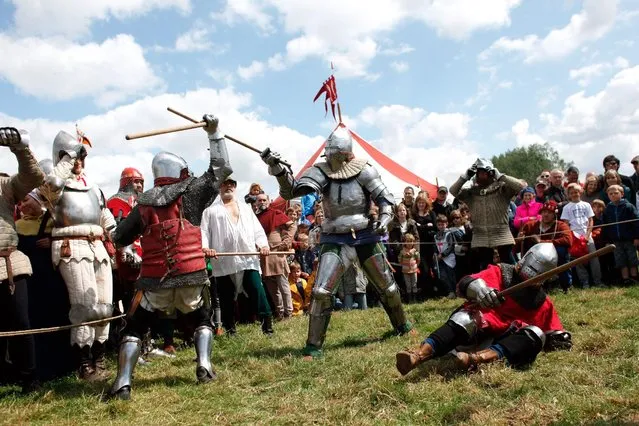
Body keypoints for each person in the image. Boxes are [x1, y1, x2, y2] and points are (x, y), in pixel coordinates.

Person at [261, 126, 413, 358]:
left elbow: (386, 201)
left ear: (345, 153)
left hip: (364, 236)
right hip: (334, 237)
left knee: (388, 286)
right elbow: (292, 191)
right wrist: (278, 168)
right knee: (321, 292)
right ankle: (314, 345)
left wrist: (383, 220)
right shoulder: (321, 172)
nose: (330, 157)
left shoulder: (364, 170)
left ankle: (402, 326)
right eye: (328, 153)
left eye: (334, 153)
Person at [107, 114, 231, 400]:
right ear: (181, 171)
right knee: (202, 319)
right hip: (191, 276)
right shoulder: (193, 192)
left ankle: (123, 383)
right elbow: (222, 169)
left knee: (135, 328)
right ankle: (204, 365)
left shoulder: (144, 203)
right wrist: (215, 133)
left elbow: (120, 237)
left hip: (153, 282)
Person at [396, 243, 572, 376]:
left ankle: (474, 360)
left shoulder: (541, 302)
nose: (531, 274)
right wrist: (480, 290)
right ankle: (417, 356)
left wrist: (559, 337)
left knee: (535, 334)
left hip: (501, 346)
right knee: (466, 318)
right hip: (473, 333)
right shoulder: (501, 273)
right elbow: (465, 283)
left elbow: (552, 332)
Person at [39, 130, 116, 381]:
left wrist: (118, 235)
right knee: (84, 307)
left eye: (80, 157)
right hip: (71, 247)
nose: (78, 161)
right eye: (71, 157)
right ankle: (84, 363)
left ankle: (100, 357)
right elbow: (51, 187)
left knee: (104, 305)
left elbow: (104, 215)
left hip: (98, 246)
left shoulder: (94, 188)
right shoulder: (55, 187)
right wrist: (68, 157)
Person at [0, 127, 45, 393]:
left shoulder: (4, 185)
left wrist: (20, 147)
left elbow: (34, 177)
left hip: (9, 264)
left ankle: (29, 378)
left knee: (20, 323)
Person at [200, 176, 274, 336]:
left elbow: (258, 231)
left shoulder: (246, 208)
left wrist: (264, 245)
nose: (228, 186)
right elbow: (204, 232)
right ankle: (230, 330)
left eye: (231, 184)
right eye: (225, 183)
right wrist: (206, 248)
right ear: (219, 187)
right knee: (226, 298)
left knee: (257, 291)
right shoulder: (210, 211)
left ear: (235, 186)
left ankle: (267, 328)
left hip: (247, 259)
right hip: (223, 261)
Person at [450, 158, 524, 270]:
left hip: (501, 233)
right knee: (486, 267)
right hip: (481, 236)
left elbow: (520, 186)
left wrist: (500, 175)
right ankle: (491, 287)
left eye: (485, 172)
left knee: (509, 265)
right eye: (479, 172)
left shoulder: (501, 189)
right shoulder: (471, 193)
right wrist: (465, 177)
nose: (482, 175)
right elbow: (453, 191)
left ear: (490, 173)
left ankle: (518, 286)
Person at [107, 168, 144, 315]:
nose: (140, 186)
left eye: (141, 182)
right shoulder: (116, 201)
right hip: (123, 258)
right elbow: (118, 229)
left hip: (143, 256)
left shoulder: (142, 202)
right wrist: (129, 250)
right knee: (125, 296)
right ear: (126, 182)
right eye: (136, 182)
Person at [517, 200, 573, 291]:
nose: (546, 215)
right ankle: (526, 284)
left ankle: (566, 286)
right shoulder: (530, 225)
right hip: (535, 260)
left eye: (549, 212)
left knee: (562, 250)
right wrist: (519, 240)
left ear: (554, 214)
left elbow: (568, 240)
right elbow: (518, 245)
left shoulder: (561, 225)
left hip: (553, 258)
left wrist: (542, 241)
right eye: (544, 212)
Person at [256, 193, 295, 321]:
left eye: (264, 200)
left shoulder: (276, 213)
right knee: (272, 288)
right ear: (256, 203)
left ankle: (288, 314)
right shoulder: (255, 218)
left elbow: (292, 225)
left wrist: (288, 240)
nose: (262, 202)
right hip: (264, 255)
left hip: (277, 253)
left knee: (283, 285)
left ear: (268, 201)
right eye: (259, 200)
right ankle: (279, 313)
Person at [561, 183, 603, 288]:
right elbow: (565, 223)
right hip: (574, 236)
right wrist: (571, 236)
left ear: (580, 192)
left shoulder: (586, 205)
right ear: (569, 195)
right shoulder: (567, 207)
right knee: (578, 260)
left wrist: (588, 234)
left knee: (594, 258)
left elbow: (590, 220)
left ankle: (597, 281)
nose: (574, 194)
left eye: (576, 192)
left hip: (587, 235)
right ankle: (585, 282)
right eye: (572, 193)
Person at [602, 185, 639, 285]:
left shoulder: (629, 206)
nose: (613, 195)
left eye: (616, 193)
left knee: (632, 259)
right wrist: (607, 240)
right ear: (608, 195)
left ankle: (634, 277)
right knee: (620, 260)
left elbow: (636, 222)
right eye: (611, 194)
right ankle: (625, 279)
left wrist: (636, 237)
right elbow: (605, 227)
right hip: (616, 241)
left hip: (629, 239)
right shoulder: (607, 209)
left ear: (622, 194)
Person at [433, 214, 458, 299]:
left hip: (449, 258)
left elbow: (451, 246)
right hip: (440, 259)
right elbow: (435, 246)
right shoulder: (435, 236)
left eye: (443, 224)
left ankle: (455, 291)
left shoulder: (449, 234)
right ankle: (450, 292)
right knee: (443, 276)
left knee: (451, 275)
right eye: (439, 224)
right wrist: (435, 253)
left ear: (446, 224)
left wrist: (443, 254)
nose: (441, 226)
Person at [398, 234, 420, 303]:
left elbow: (418, 260)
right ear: (404, 242)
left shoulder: (415, 251)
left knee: (414, 284)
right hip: (405, 271)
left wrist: (416, 266)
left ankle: (415, 299)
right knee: (408, 285)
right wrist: (404, 265)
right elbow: (399, 260)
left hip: (414, 270)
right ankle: (410, 299)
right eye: (407, 241)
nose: (409, 243)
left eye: (411, 241)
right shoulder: (402, 252)